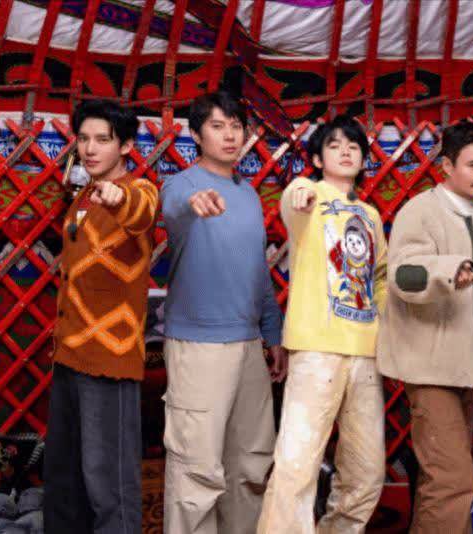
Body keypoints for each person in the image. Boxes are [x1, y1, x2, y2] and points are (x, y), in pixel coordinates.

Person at [376, 120, 473, 534]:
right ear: (446, 166)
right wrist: (446, 271)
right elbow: (402, 274)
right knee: (453, 479)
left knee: (439, 479)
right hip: (431, 366)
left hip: (468, 363)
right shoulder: (421, 211)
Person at [159, 91, 288, 534]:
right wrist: (193, 204)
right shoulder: (181, 185)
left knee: (251, 463)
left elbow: (257, 270)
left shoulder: (248, 194)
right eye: (217, 126)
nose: (230, 135)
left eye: (236, 126)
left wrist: (273, 336)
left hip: (249, 345)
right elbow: (171, 208)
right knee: (196, 470)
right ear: (197, 135)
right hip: (199, 346)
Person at [257, 116, 387, 533]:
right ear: (317, 159)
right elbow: (295, 195)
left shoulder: (370, 216)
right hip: (316, 349)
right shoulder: (309, 200)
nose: (345, 151)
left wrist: (385, 325)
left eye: (354, 146)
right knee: (297, 465)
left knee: (367, 472)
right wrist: (300, 190)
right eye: (334, 145)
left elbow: (380, 277)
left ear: (363, 158)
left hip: (366, 351)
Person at [44, 99, 158, 534]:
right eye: (84, 139)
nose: (90, 149)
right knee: (64, 480)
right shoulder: (80, 198)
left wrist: (118, 196)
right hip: (69, 356)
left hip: (109, 360)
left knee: (109, 483)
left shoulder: (139, 190)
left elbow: (140, 211)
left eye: (103, 140)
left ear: (126, 145)